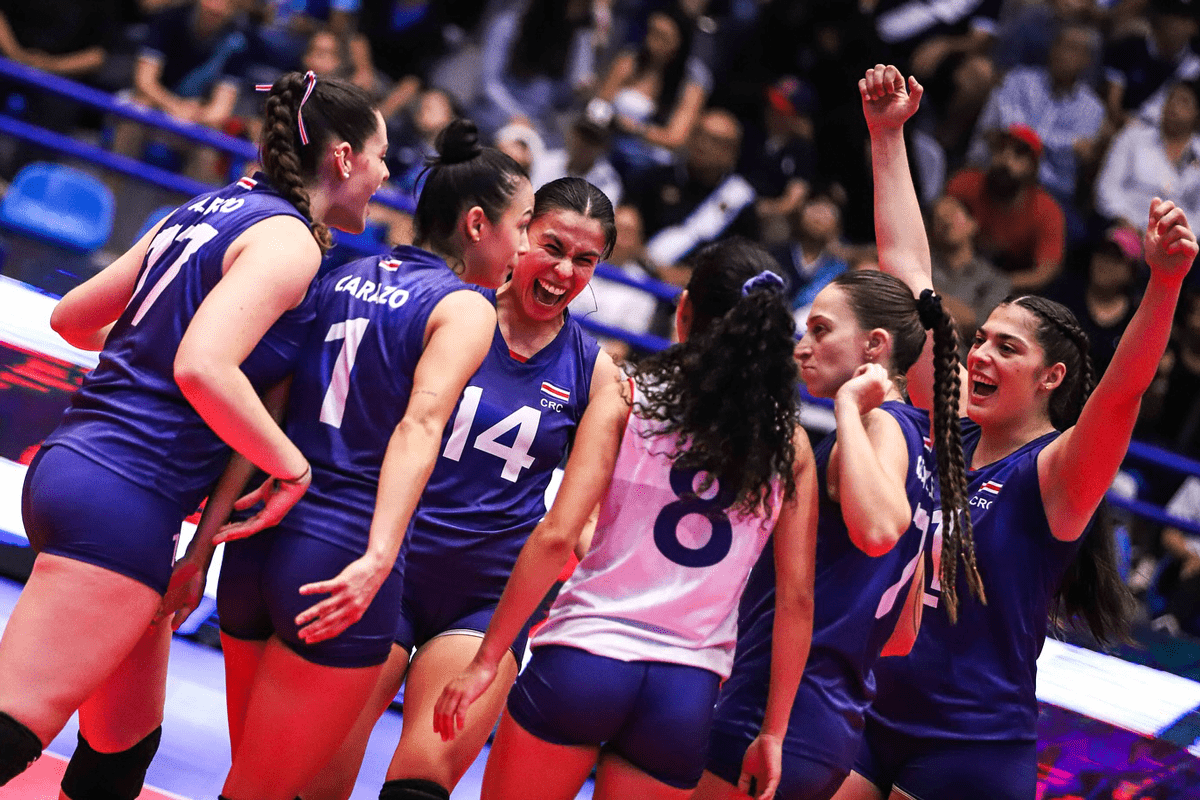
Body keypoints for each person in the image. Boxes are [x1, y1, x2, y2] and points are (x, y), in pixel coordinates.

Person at [0, 71, 386, 793]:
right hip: (127, 489)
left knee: (122, 746)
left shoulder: (209, 207)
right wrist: (292, 469)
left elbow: (72, 319)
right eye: (380, 156)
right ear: (342, 158)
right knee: (12, 726)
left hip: (76, 469)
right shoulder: (292, 239)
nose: (385, 175)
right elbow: (203, 366)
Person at [834, 65, 1192, 800]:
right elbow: (908, 278)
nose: (979, 354)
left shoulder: (1055, 476)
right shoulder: (946, 429)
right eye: (982, 339)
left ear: (1052, 379)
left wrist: (1163, 283)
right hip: (875, 716)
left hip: (969, 750)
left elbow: (1121, 394)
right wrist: (888, 136)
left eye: (1006, 347)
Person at [166, 118, 531, 800]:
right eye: (524, 224)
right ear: (478, 224)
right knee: (270, 792)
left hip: (257, 547)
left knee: (251, 778)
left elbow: (268, 410)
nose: (526, 245)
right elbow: (419, 427)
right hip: (337, 553)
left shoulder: (343, 270)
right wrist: (380, 556)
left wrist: (204, 546)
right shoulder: (464, 308)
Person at [434, 237, 820, 800]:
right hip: (685, 691)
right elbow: (798, 597)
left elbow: (558, 535)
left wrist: (487, 658)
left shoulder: (628, 395)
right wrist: (774, 732)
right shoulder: (793, 447)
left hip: (583, 658)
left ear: (684, 310)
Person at [694, 67, 971, 800]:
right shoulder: (929, 442)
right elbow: (905, 632)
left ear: (876, 349)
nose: (801, 344)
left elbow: (880, 532)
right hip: (837, 718)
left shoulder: (871, 427)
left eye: (819, 329)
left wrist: (849, 410)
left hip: (773, 703)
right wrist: (886, 139)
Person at [299, 177, 619, 800]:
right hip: (386, 570)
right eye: (551, 246)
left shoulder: (594, 371)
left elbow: (582, 518)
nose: (563, 270)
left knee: (419, 787)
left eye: (584, 260)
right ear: (519, 233)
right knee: (316, 778)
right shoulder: (447, 312)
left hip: (484, 600)